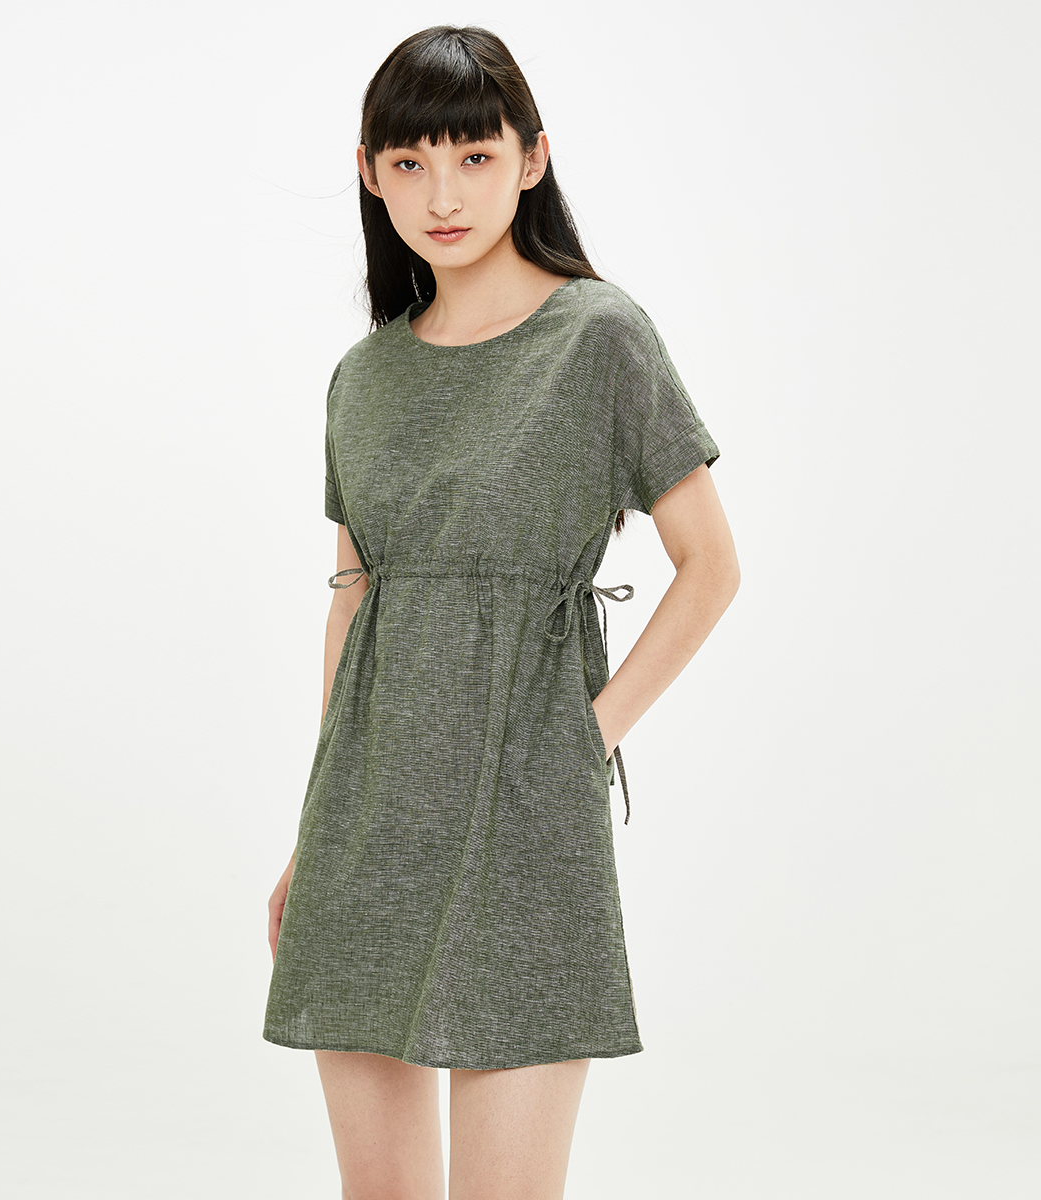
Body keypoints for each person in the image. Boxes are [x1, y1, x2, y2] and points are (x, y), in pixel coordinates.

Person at [263, 24, 740, 1200]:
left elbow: (710, 566)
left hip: (524, 823)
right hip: (366, 825)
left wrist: (584, 737)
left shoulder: (600, 336)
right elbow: (352, 600)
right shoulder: (363, 376)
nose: (443, 195)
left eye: (474, 157)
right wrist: (312, 829)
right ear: (370, 172)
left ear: (532, 158)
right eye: (411, 162)